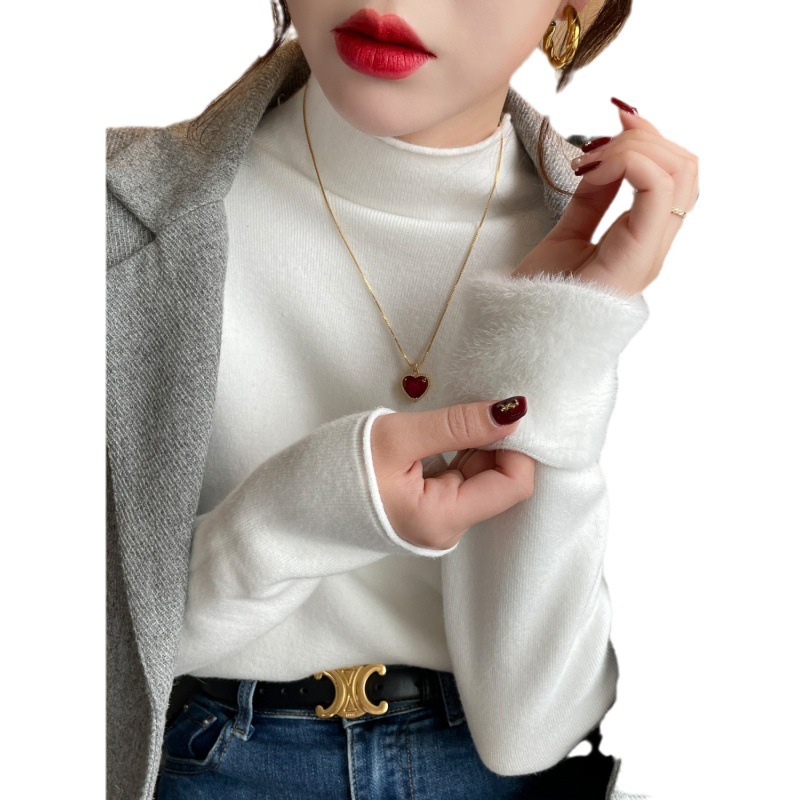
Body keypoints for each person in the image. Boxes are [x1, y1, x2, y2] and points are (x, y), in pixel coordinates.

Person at [106, 1, 699, 798]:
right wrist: (301, 514)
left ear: (571, 11)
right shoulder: (102, 211)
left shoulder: (615, 237)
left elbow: (532, 727)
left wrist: (555, 331)